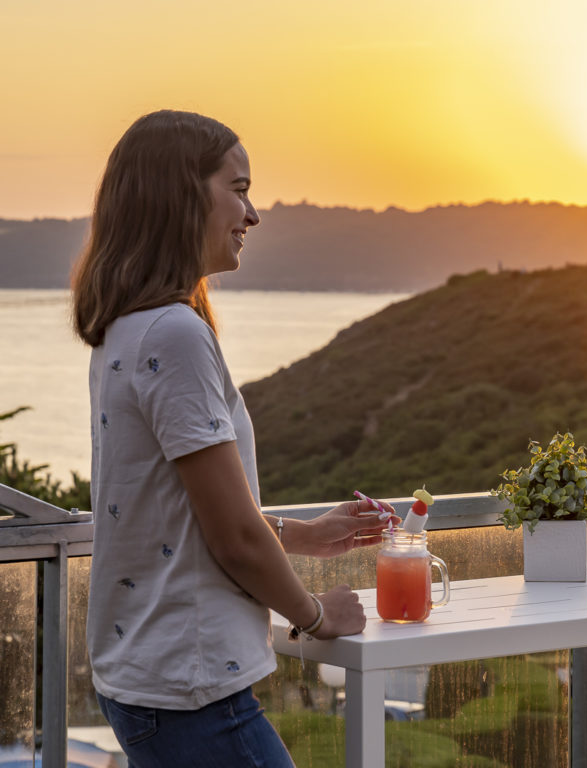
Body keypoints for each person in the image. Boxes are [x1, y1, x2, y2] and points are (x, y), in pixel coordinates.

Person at [71, 110, 389, 767]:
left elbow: (183, 514)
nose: (253, 214)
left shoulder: (125, 331)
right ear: (182, 196)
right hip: (193, 689)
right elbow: (233, 540)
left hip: (146, 677)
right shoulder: (175, 335)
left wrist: (303, 535)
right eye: (238, 189)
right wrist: (315, 616)